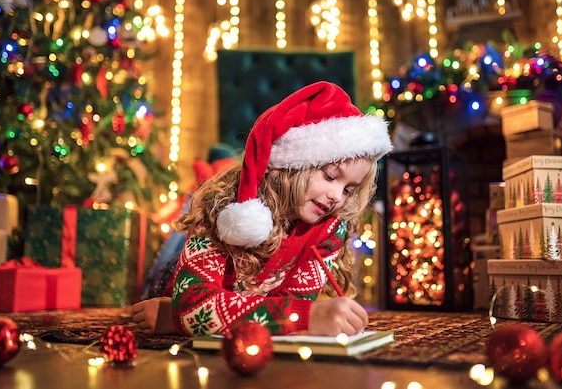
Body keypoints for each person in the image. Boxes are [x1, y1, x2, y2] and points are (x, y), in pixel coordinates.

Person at [131, 81, 393, 337]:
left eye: (349, 189)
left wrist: (192, 318)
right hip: (173, 279)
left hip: (234, 305)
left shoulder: (331, 226)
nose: (337, 196)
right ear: (296, 164)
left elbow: (290, 304)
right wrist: (304, 317)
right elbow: (194, 306)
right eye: (330, 176)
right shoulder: (220, 204)